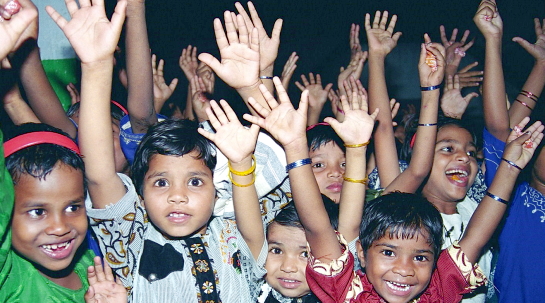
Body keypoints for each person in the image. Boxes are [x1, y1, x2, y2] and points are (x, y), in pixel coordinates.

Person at [244, 72, 543, 302]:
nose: (405, 268)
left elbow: (476, 237)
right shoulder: (348, 292)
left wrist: (510, 168)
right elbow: (318, 227)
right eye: (388, 252)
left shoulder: (437, 291)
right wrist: (296, 146)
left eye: (421, 257)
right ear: (360, 253)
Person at [0, 123, 94, 301]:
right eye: (37, 212)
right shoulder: (8, 276)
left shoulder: (89, 263)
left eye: (73, 208)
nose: (60, 228)